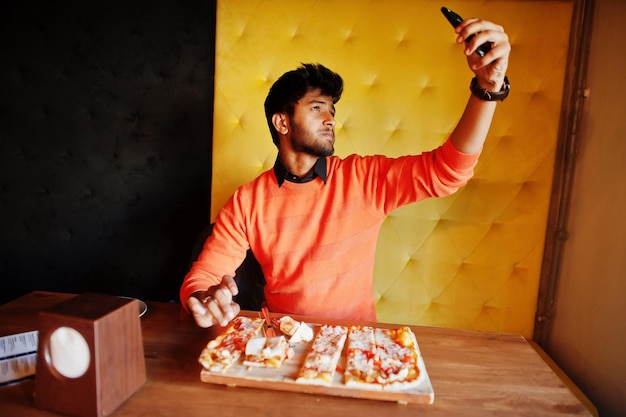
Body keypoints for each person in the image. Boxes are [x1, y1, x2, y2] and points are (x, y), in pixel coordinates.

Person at [181, 16, 511, 328]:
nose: (330, 119)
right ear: (281, 122)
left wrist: (487, 90)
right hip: (281, 347)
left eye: (331, 111)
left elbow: (448, 171)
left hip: (357, 348)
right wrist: (206, 299)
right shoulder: (247, 201)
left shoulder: (363, 178)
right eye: (316, 108)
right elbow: (205, 275)